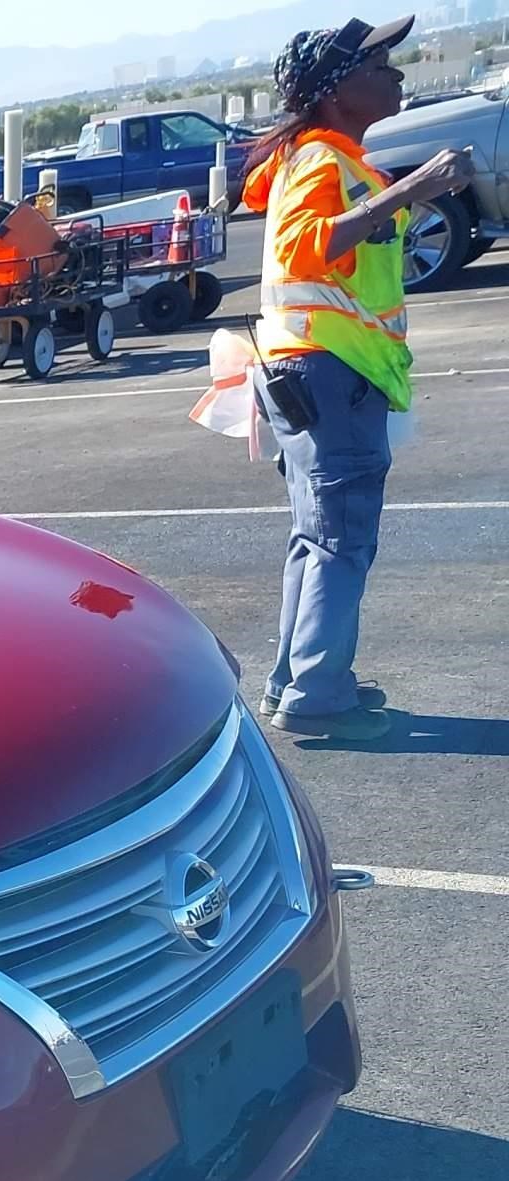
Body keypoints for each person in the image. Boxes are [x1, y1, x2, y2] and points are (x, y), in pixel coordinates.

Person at [240, 15, 475, 742]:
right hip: (328, 370)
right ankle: (315, 688)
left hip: (319, 370)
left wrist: (392, 194)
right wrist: (413, 190)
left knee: (318, 537)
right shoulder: (319, 161)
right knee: (339, 537)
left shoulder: (329, 159)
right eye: (382, 66)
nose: (398, 76)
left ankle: (302, 677)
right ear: (339, 91)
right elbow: (308, 249)